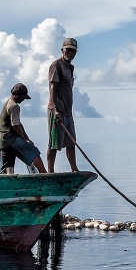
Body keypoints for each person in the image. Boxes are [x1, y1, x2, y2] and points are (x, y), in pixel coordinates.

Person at [0, 83, 47, 174]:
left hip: (3, 140)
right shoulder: (14, 106)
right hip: (10, 138)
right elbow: (15, 126)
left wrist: (26, 139)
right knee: (34, 152)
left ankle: (6, 181)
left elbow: (19, 124)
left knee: (7, 166)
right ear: (17, 95)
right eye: (22, 97)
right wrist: (24, 140)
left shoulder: (8, 103)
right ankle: (45, 174)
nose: (23, 100)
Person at [46, 37, 79, 172]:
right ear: (62, 50)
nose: (71, 53)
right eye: (68, 50)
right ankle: (50, 172)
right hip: (57, 110)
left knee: (71, 142)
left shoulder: (70, 68)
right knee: (54, 143)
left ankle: (74, 169)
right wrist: (55, 109)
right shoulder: (56, 65)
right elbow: (52, 87)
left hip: (67, 111)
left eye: (73, 51)